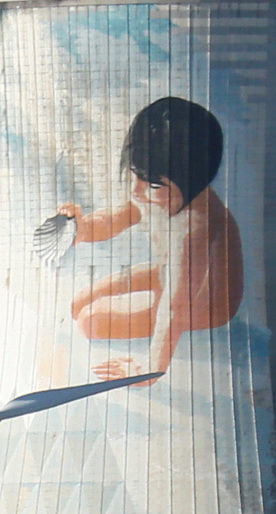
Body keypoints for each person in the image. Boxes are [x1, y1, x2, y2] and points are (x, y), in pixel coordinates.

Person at [56, 96, 239, 383]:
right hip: (170, 275)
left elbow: (176, 308)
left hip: (204, 302)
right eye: (134, 176)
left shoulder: (195, 227)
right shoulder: (159, 193)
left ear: (192, 180)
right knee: (78, 304)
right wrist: (80, 228)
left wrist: (149, 370)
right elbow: (115, 219)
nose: (137, 191)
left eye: (151, 184)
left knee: (92, 322)